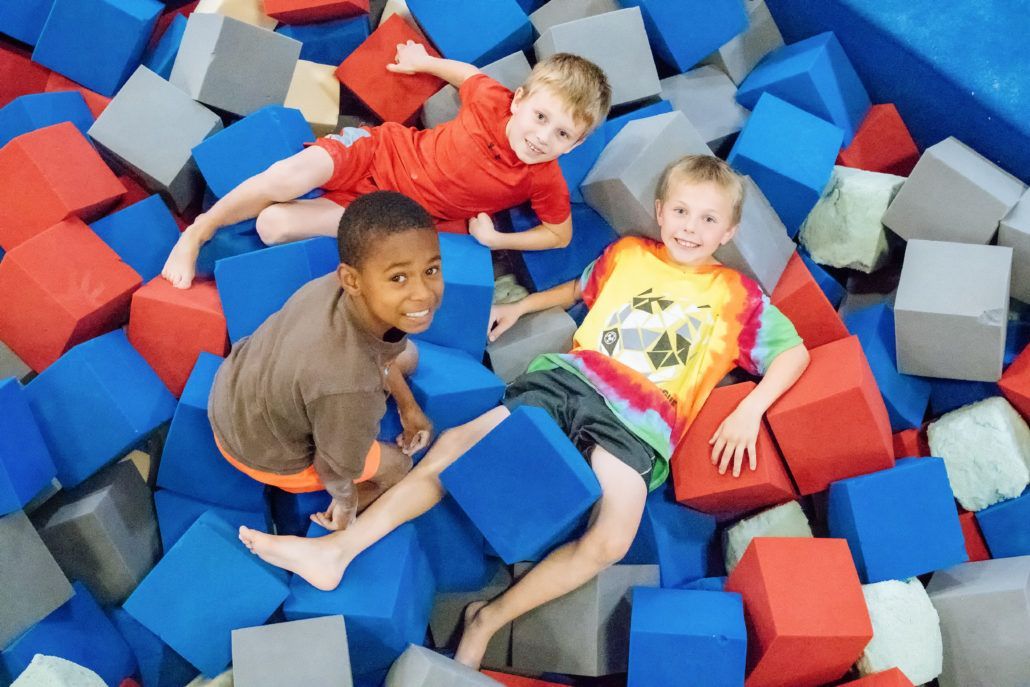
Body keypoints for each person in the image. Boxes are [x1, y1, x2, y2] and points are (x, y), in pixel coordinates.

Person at [236, 155, 811, 668]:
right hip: (570, 384)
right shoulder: (631, 254)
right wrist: (524, 307)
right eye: (682, 211)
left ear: (729, 230)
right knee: (458, 444)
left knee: (613, 537)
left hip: (639, 425)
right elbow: (580, 289)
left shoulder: (739, 296)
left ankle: (490, 616)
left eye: (709, 219)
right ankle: (338, 551)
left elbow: (794, 353)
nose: (692, 227)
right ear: (660, 213)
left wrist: (750, 410)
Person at [161, 43, 612, 289]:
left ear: (576, 144)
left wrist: (498, 238)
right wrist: (423, 62)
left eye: (563, 135)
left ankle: (290, 216)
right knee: (287, 176)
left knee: (273, 226)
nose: (542, 138)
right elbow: (466, 74)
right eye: (540, 117)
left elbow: (561, 235)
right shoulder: (493, 98)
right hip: (379, 151)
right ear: (519, 101)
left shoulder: (542, 177)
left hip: (395, 211)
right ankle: (199, 230)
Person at [208, 191, 443, 531]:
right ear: (352, 279)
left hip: (236, 386)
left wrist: (408, 407)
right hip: (257, 451)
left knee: (408, 356)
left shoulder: (333, 288)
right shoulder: (349, 387)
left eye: (431, 270)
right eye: (398, 278)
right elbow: (334, 466)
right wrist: (346, 503)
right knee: (398, 467)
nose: (423, 293)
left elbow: (382, 358)